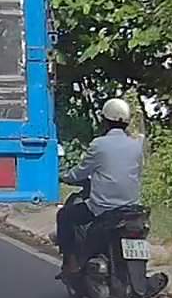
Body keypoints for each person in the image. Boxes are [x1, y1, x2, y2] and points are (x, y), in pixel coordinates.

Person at [56, 98, 144, 274]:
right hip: (131, 208)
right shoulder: (136, 146)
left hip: (102, 208)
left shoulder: (99, 144)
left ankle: (71, 262)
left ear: (105, 121)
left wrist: (65, 177)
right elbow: (137, 172)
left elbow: (80, 172)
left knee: (64, 215)